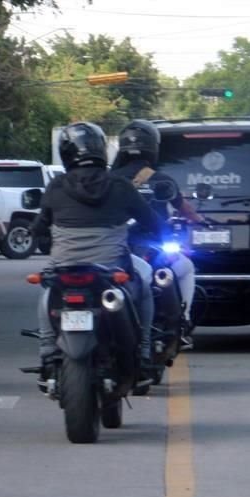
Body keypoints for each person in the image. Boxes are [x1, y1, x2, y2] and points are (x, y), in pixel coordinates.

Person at [32, 121, 163, 378]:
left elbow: (40, 229)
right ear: (101, 150)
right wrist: (159, 231)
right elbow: (152, 222)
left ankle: (47, 346)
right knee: (145, 289)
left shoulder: (56, 186)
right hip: (111, 267)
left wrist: (48, 242)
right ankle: (145, 348)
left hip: (64, 266)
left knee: (48, 293)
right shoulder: (121, 186)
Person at [110, 119, 202, 332]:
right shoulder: (162, 180)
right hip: (153, 247)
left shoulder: (108, 179)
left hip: (115, 248)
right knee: (186, 268)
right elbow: (185, 209)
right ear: (153, 148)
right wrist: (201, 221)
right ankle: (184, 319)